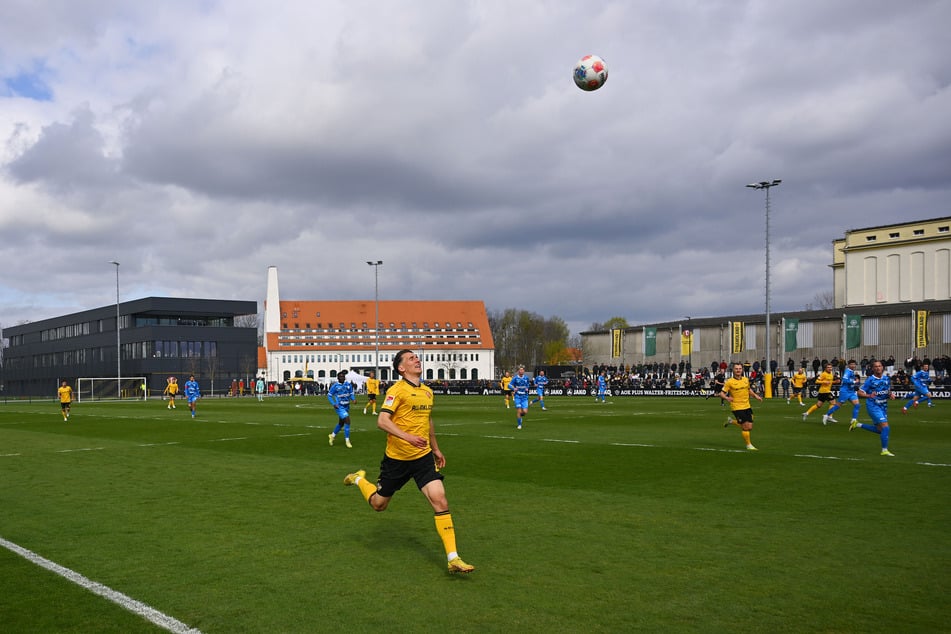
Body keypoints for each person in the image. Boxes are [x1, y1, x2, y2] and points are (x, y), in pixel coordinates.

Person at [343, 349, 474, 574]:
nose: (417, 360)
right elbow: (382, 421)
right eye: (411, 358)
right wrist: (408, 437)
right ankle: (357, 479)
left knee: (440, 500)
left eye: (417, 357)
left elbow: (427, 420)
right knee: (379, 505)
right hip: (397, 460)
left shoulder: (427, 392)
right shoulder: (397, 390)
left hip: (422, 458)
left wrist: (435, 448)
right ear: (401, 368)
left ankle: (453, 558)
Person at [852, 360, 896, 456]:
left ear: (882, 367)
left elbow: (887, 391)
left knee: (880, 430)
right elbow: (859, 392)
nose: (878, 368)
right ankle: (884, 450)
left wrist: (890, 394)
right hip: (873, 406)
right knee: (886, 427)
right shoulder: (870, 380)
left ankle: (857, 424)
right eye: (876, 366)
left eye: (879, 366)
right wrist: (869, 395)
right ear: (872, 369)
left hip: (883, 406)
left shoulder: (886, 378)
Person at [720, 362, 762, 451]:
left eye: (739, 369)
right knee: (746, 427)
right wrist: (727, 398)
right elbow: (721, 393)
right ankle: (748, 445)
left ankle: (731, 421)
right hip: (737, 407)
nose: (738, 370)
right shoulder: (729, 382)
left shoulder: (746, 380)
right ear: (733, 370)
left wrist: (756, 396)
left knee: (749, 426)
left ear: (742, 370)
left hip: (747, 405)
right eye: (736, 369)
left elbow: (749, 390)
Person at [824, 360, 861, 426]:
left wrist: (854, 379)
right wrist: (854, 381)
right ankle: (826, 415)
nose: (853, 365)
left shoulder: (851, 371)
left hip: (851, 391)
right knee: (838, 405)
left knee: (857, 405)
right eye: (851, 364)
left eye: (854, 364)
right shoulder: (847, 371)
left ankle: (853, 420)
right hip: (845, 391)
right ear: (848, 365)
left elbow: (850, 379)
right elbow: (844, 380)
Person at [328, 371, 355, 448]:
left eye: (343, 376)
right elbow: (329, 395)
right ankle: (347, 441)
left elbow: (351, 393)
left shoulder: (348, 385)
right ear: (338, 378)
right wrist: (334, 404)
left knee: (341, 423)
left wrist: (353, 399)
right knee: (347, 420)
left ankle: (332, 436)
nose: (342, 378)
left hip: (346, 406)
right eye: (340, 377)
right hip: (339, 407)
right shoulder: (335, 386)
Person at [507, 365, 531, 430]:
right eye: (520, 370)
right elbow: (509, 385)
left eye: (522, 370)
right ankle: (519, 424)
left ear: (524, 371)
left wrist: (527, 388)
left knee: (525, 412)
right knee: (519, 411)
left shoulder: (526, 378)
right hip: (517, 397)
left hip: (525, 397)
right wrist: (513, 388)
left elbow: (528, 384)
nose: (521, 371)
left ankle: (520, 417)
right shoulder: (515, 378)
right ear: (518, 371)